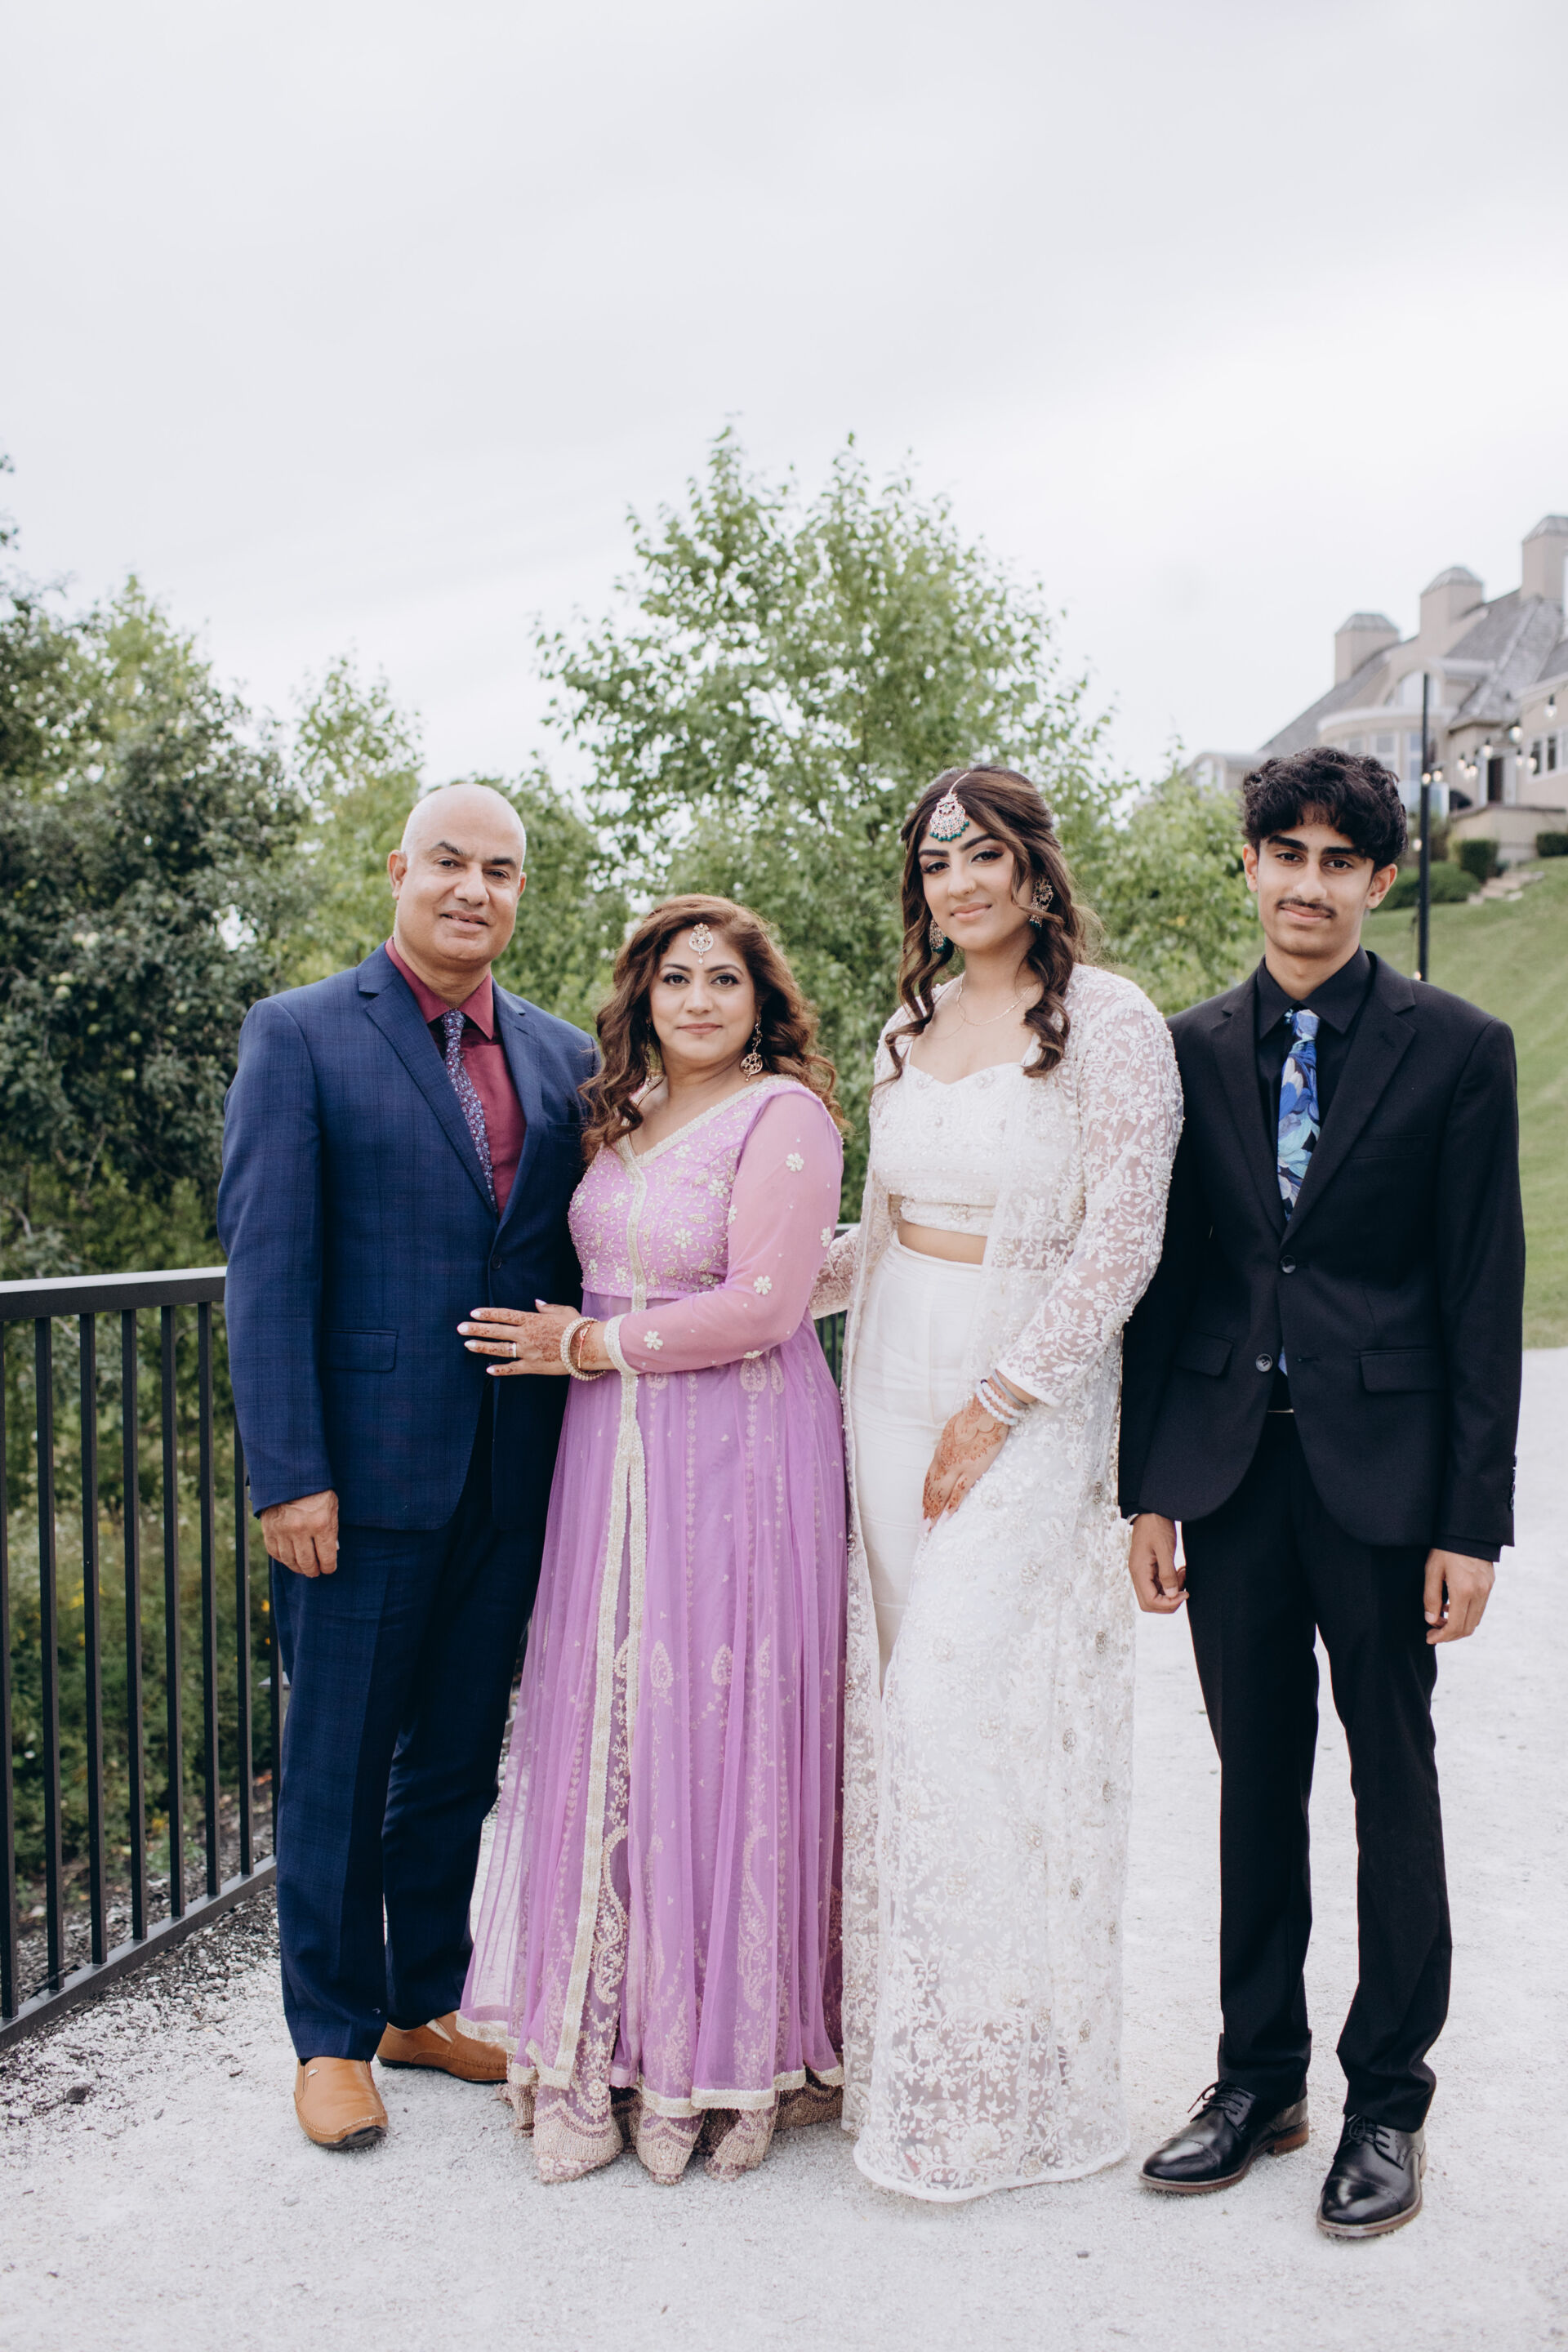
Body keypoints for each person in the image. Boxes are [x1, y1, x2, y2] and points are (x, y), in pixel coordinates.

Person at [1120, 746, 1525, 2238]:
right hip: (1230, 1473)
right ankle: (1256, 2079)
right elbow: (1167, 1284)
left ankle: (1390, 2100)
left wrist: (1470, 1522)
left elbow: (1484, 1293)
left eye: (1338, 860)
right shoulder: (1186, 1049)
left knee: (1391, 1782)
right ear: (1248, 867)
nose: (1308, 883)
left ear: (1379, 878)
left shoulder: (1458, 1048)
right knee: (1254, 1781)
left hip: (1386, 1482)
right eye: (1283, 854)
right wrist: (1148, 1490)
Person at [812, 767, 1182, 2202]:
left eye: (982, 856)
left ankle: (1005, 2072)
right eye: (935, 861)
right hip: (889, 1370)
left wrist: (1004, 1399)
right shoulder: (904, 1027)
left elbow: (1125, 1238)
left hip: (1024, 1385)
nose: (958, 882)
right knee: (902, 1706)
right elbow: (879, 1230)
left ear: (1034, 868)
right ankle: (930, 2038)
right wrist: (740, 1295)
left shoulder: (1111, 1022)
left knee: (956, 1706)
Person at [219, 782, 596, 2151]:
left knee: (453, 1762)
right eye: (449, 861)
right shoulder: (301, 1034)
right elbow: (267, 1270)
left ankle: (418, 2001)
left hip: (513, 1474)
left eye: (500, 870)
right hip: (361, 1480)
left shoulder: (562, 1056)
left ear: (519, 893)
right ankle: (327, 2039)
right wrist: (288, 1474)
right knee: (334, 1762)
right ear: (399, 870)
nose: (472, 889)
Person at [457, 896, 849, 2186]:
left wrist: (589, 1343)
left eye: (723, 979)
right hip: (606, 1451)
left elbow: (766, 1307)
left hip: (737, 1448)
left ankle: (711, 2061)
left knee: (712, 1725)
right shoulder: (616, 1114)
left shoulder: (785, 1117)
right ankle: (593, 2046)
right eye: (675, 978)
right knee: (606, 1721)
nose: (697, 1000)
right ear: (643, 996)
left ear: (760, 1000)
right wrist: (587, 1353)